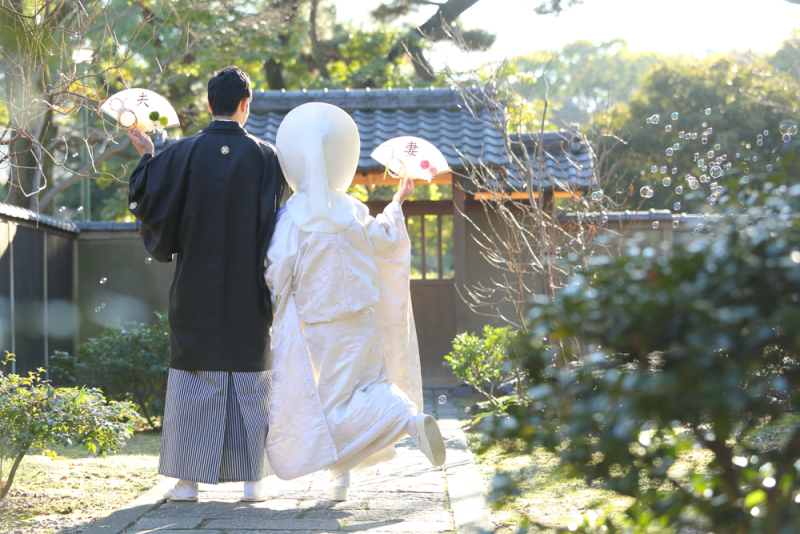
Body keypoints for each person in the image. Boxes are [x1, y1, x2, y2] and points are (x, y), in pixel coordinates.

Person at [264, 102, 446, 501]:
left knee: (332, 400)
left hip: (322, 322)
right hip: (363, 316)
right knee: (369, 384)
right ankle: (382, 443)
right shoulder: (354, 209)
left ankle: (401, 424)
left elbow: (278, 267)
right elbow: (383, 239)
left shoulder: (291, 217)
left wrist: (276, 307)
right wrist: (397, 203)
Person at [127, 66, 288, 502]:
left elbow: (146, 199)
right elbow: (281, 223)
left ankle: (186, 481)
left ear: (210, 103)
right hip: (248, 285)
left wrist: (148, 154)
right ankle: (254, 479)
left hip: (195, 284)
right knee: (251, 375)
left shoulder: (181, 153)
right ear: (245, 104)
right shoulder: (266, 157)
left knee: (193, 374)